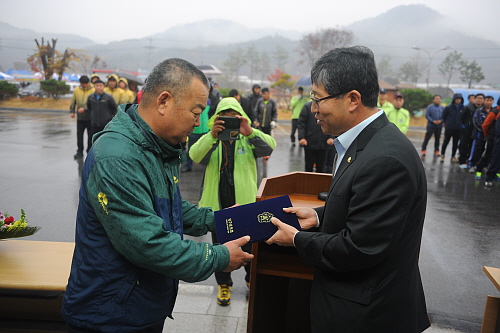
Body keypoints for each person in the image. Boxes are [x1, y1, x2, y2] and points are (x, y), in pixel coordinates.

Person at [61, 58, 253, 333]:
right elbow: (147, 243)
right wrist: (218, 256)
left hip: (139, 306)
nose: (198, 122)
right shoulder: (119, 157)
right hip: (109, 315)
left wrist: (220, 219)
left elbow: (171, 208)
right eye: (195, 112)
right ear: (164, 101)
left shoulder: (156, 146)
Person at [266, 46, 430, 333]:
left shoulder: (384, 159)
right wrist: (318, 217)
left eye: (318, 99)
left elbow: (360, 248)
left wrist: (297, 239)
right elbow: (363, 208)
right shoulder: (361, 142)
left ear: (353, 99)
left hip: (368, 316)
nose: (313, 108)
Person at [189, 97, 276, 306]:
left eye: (232, 117)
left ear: (240, 118)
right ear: (216, 118)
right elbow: (194, 155)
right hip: (218, 208)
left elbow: (269, 148)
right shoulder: (212, 139)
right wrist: (212, 136)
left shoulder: (248, 138)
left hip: (244, 207)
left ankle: (250, 281)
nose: (228, 121)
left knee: (250, 248)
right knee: (220, 248)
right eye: (223, 117)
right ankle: (224, 285)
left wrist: (250, 132)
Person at [297, 101, 334, 173]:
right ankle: (308, 183)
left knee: (321, 167)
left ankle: (320, 184)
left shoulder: (328, 107)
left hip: (324, 143)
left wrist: (331, 137)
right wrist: (302, 138)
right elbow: (301, 123)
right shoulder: (307, 107)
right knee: (308, 167)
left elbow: (332, 122)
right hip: (309, 142)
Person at [181, 98, 211, 173]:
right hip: (195, 130)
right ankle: (188, 165)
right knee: (191, 149)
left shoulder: (208, 100)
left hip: (205, 129)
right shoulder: (192, 100)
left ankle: (206, 166)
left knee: (206, 150)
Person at [469, 95, 495, 178]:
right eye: (487, 100)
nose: (489, 102)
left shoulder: (494, 111)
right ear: (484, 101)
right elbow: (476, 123)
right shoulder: (479, 111)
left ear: (493, 102)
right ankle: (473, 165)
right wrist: (484, 130)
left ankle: (484, 166)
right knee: (477, 150)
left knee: (488, 152)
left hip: (490, 135)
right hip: (479, 134)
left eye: (490, 101)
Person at [69, 75, 95, 159]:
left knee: (90, 136)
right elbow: (73, 101)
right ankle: (79, 151)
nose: (83, 85)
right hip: (80, 118)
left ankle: (89, 152)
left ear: (88, 83)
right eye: (82, 84)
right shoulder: (77, 90)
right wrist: (72, 111)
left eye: (85, 84)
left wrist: (85, 108)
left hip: (90, 118)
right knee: (79, 135)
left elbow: (93, 103)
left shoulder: (93, 90)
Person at [459, 93, 484, 168]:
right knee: (464, 145)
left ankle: (473, 162)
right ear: (475, 99)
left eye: (481, 98)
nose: (480, 100)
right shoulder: (468, 107)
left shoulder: (483, 109)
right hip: (467, 129)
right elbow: (462, 118)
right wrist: (465, 126)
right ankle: (462, 161)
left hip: (477, 130)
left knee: (475, 147)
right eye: (478, 98)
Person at [440, 93, 464, 163]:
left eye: (459, 99)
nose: (458, 101)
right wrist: (447, 123)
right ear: (454, 100)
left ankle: (453, 156)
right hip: (449, 128)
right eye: (457, 99)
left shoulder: (463, 108)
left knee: (455, 143)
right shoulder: (449, 108)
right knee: (446, 141)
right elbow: (444, 116)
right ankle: (442, 155)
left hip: (458, 129)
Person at [484, 104, 500, 187]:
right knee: (496, 160)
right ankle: (489, 178)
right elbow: (497, 129)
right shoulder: (497, 113)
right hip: (498, 141)